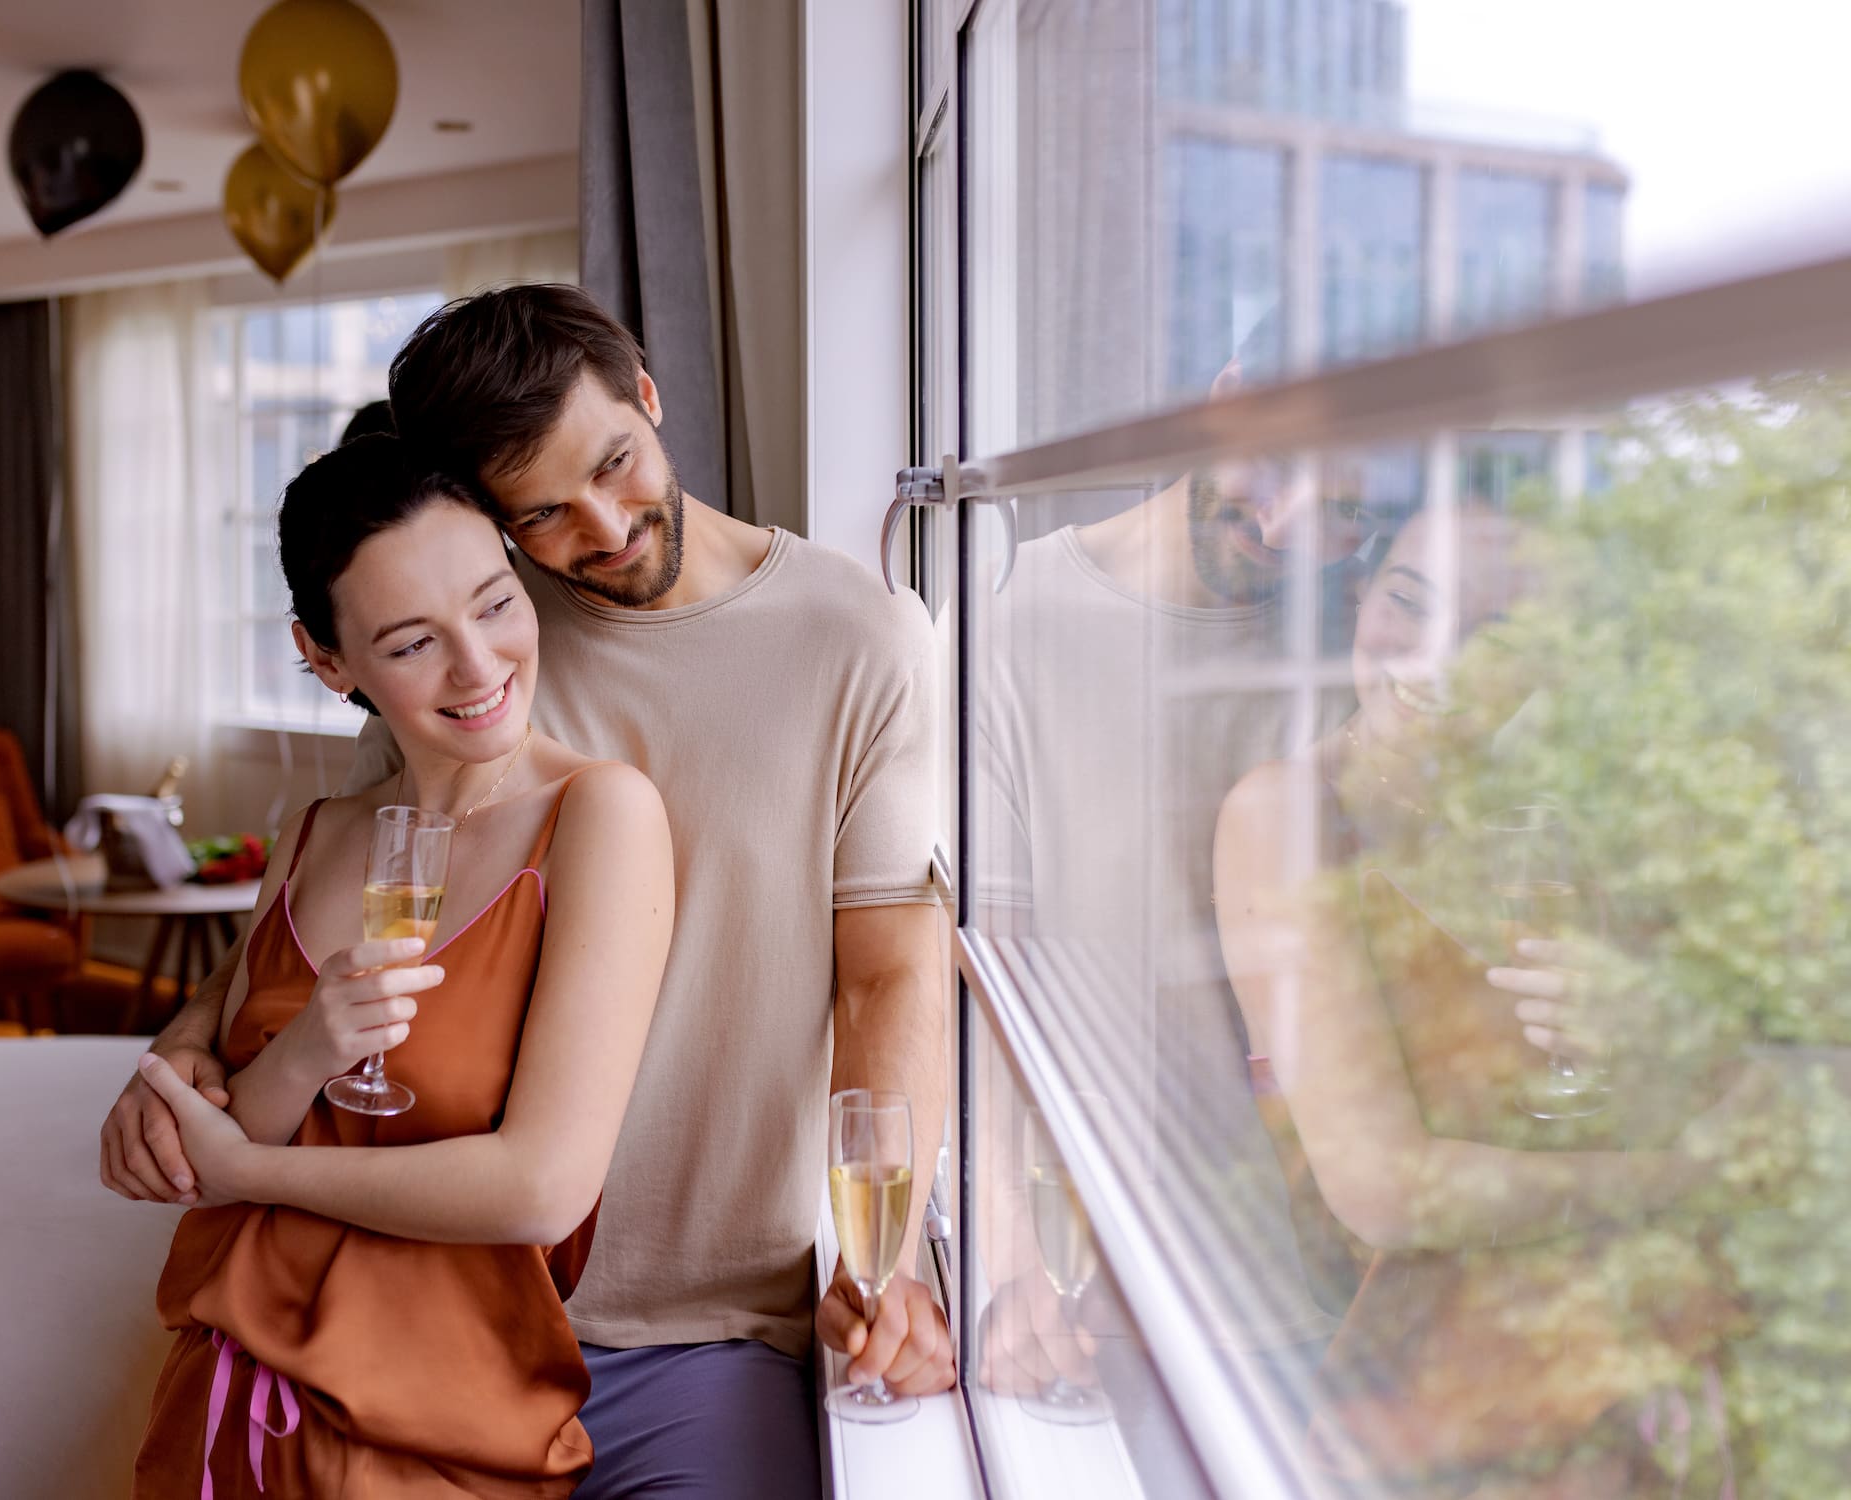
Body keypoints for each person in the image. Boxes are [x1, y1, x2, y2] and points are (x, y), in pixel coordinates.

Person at [102, 284, 952, 1497]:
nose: (602, 527)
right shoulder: (479, 638)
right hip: (439, 1289)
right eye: (543, 514)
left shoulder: (860, 641)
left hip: (703, 1323)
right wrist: (189, 1040)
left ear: (648, 397)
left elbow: (888, 977)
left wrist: (888, 1255)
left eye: (615, 462)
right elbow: (333, 888)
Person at [131, 436, 673, 1495]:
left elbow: (540, 1187)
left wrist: (249, 1175)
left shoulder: (597, 816)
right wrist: (289, 1052)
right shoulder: (315, 835)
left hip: (439, 1429)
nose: (478, 667)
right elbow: (232, 1122)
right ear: (328, 661)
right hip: (221, 1409)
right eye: (413, 641)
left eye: (492, 603)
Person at [1213, 505, 1763, 1494]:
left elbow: (1678, 1095)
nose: (1434, 658)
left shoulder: (1540, 832)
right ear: (1360, 596)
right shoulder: (1281, 817)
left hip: (1612, 1371)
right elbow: (1382, 1190)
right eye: (1408, 605)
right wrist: (1676, 1178)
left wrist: (1642, 1042)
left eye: (1490, 635)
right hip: (1423, 1415)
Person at [969, 315, 1388, 1437]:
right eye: (1280, 464)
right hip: (1084, 1289)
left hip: (1305, 1291)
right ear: (1224, 393)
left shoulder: (1352, 659)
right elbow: (978, 996)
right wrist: (1012, 1265)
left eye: (1338, 510)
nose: (1283, 519)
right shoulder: (1010, 626)